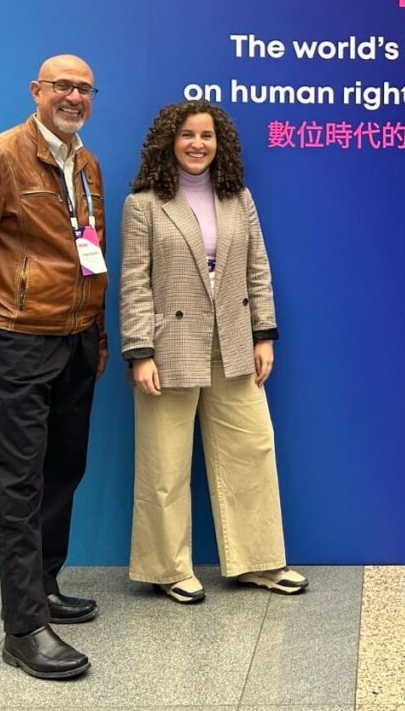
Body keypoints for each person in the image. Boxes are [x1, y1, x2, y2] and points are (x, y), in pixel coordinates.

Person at [0, 55, 107, 680]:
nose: (73, 96)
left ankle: (42, 588)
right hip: (13, 340)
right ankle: (23, 629)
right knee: (17, 485)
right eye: (61, 86)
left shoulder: (86, 163)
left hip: (73, 343)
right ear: (36, 91)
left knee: (63, 469)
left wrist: (95, 336)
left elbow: (89, 255)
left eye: (83, 88)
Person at [119, 100, 306, 603]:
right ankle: (167, 568)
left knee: (251, 449)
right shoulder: (144, 204)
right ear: (169, 141)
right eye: (187, 135)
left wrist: (263, 334)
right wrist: (140, 351)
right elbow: (134, 282)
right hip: (169, 345)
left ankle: (259, 563)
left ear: (219, 143)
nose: (197, 144)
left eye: (206, 135)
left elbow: (257, 268)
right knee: (164, 461)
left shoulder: (237, 197)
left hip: (234, 341)